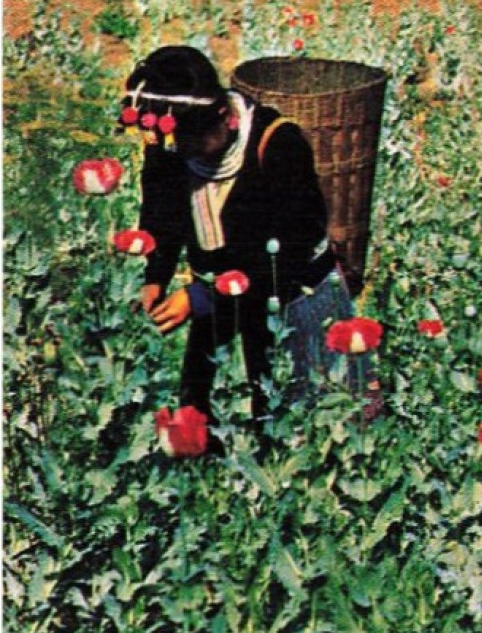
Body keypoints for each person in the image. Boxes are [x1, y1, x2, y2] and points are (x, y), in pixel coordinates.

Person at [121, 45, 374, 440]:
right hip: (215, 297)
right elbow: (163, 211)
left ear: (225, 117)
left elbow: (285, 252)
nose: (181, 151)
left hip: (294, 297)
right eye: (175, 143)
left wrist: (200, 297)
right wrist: (157, 275)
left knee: (303, 423)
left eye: (192, 141)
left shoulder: (278, 144)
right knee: (200, 419)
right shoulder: (175, 143)